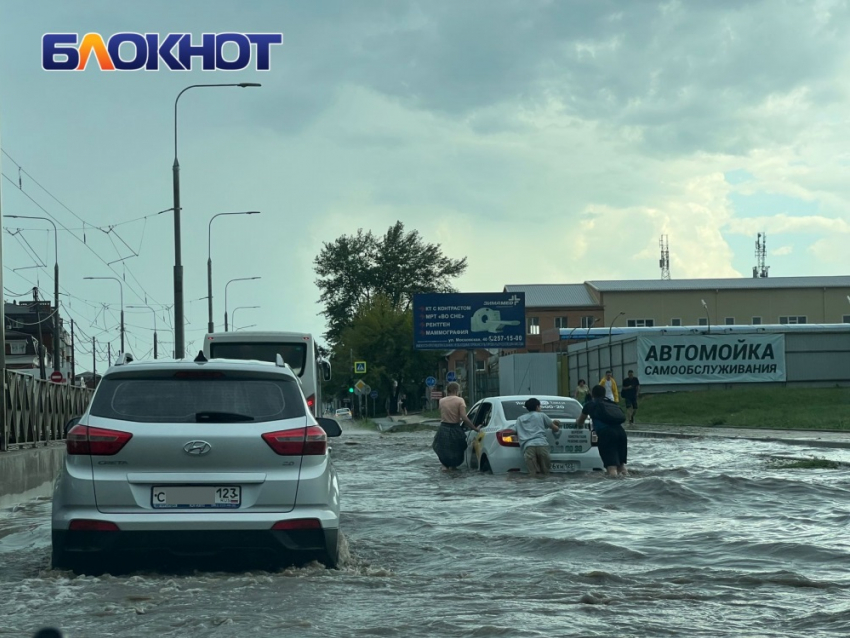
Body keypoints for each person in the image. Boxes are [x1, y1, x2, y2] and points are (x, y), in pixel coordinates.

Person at [577, 385, 628, 477]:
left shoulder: (590, 405)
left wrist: (576, 422)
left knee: (611, 467)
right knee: (621, 466)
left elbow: (580, 421)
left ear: (592, 394)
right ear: (604, 394)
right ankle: (627, 486)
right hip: (621, 433)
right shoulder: (612, 403)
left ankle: (614, 489)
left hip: (607, 434)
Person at [432, 382, 477, 470]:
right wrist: (475, 428)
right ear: (456, 390)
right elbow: (464, 417)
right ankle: (454, 471)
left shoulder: (442, 401)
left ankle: (445, 467)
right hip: (455, 428)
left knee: (441, 448)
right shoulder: (460, 400)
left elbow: (442, 414)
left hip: (443, 428)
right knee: (458, 449)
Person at [515, 398, 561, 477]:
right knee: (545, 473)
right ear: (537, 407)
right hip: (542, 445)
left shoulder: (520, 419)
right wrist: (557, 425)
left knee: (532, 474)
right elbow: (555, 428)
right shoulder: (541, 415)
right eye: (540, 406)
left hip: (528, 447)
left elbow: (514, 430)